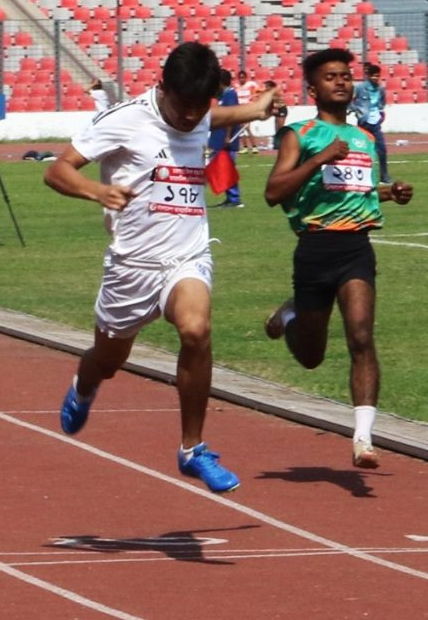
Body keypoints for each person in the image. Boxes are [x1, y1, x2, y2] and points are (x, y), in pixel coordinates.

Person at [43, 42, 281, 494]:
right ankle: (84, 386)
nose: (191, 118)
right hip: (132, 265)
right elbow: (57, 170)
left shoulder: (199, 111)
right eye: (183, 106)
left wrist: (256, 108)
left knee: (196, 329)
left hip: (186, 256)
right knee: (108, 360)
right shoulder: (125, 120)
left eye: (200, 107)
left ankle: (193, 449)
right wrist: (97, 192)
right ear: (161, 87)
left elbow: (217, 118)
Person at [262, 48, 413, 470]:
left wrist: (389, 192)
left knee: (361, 337)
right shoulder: (300, 134)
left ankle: (363, 438)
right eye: (331, 77)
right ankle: (290, 316)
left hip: (356, 249)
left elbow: (355, 188)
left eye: (346, 75)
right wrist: (319, 158)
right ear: (313, 89)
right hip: (314, 249)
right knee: (312, 356)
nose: (342, 82)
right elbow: (274, 193)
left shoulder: (363, 137)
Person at [207, 70, 243, 208]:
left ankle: (234, 199)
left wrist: (228, 136)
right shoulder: (222, 96)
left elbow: (231, 117)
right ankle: (229, 197)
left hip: (226, 140)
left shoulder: (230, 94)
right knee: (221, 168)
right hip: (218, 138)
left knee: (227, 168)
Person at [350, 62, 390, 183]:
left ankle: (384, 176)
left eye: (377, 76)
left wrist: (380, 112)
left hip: (375, 123)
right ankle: (359, 176)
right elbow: (349, 100)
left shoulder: (380, 89)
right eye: (373, 76)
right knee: (362, 150)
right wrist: (356, 111)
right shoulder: (360, 87)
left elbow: (382, 102)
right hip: (363, 123)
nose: (375, 78)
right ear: (368, 76)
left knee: (382, 150)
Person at [236, 70, 263, 154]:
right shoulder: (236, 87)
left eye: (243, 77)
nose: (241, 79)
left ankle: (254, 146)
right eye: (240, 78)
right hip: (239, 109)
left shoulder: (251, 85)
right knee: (241, 129)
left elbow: (260, 91)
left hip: (247, 109)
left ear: (246, 78)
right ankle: (245, 147)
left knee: (246, 127)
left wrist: (254, 99)